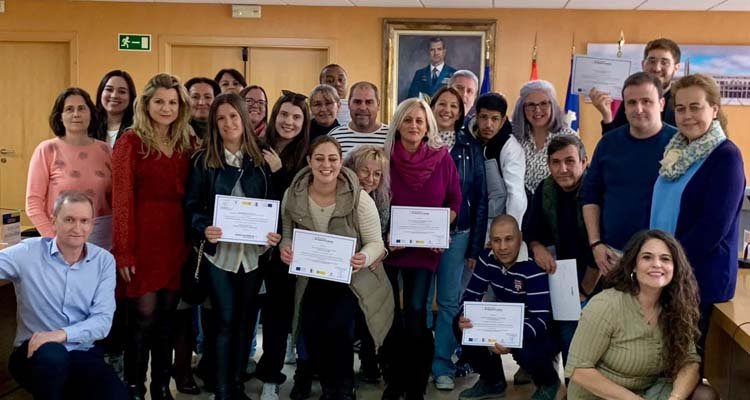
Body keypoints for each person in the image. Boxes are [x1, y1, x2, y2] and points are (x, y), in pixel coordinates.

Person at [280, 136, 392, 400]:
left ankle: (342, 389)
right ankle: (327, 385)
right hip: (308, 278)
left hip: (348, 278)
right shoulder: (293, 194)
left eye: (332, 159)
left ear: (341, 162)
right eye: (319, 158)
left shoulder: (359, 198)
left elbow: (376, 242)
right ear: (309, 161)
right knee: (311, 330)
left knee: (338, 331)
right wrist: (285, 248)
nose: (326, 165)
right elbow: (286, 233)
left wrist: (363, 257)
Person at [185, 92, 280, 400]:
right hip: (220, 256)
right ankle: (224, 388)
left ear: (244, 119)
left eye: (233, 117)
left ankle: (237, 383)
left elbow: (275, 204)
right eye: (221, 118)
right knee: (224, 319)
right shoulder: (203, 160)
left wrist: (273, 232)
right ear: (214, 122)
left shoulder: (262, 159)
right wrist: (203, 227)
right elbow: (191, 206)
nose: (228, 123)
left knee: (245, 321)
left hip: (253, 256)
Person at [650, 74, 746, 356]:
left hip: (698, 280)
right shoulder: (675, 150)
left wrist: (666, 263)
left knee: (687, 360)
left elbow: (713, 227)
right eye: (680, 108)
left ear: (714, 109)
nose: (687, 115)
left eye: (696, 107)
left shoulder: (725, 156)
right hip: (665, 273)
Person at [112, 73, 194, 400]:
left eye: (172, 102)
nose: (166, 107)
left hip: (176, 238)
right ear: (145, 103)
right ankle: (135, 385)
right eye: (159, 101)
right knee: (142, 316)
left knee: (167, 317)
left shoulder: (186, 141)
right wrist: (124, 252)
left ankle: (161, 386)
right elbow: (120, 200)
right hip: (141, 237)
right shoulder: (130, 141)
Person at [0, 191, 128, 400]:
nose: (77, 228)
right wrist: (50, 340)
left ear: (92, 223)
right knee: (54, 356)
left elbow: (103, 322)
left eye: (84, 221)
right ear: (54, 221)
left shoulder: (103, 261)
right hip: (33, 354)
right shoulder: (28, 253)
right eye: (69, 220)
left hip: (81, 353)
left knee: (117, 395)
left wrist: (60, 334)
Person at [566, 230, 718, 400]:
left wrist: (675, 398)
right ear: (633, 265)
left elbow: (689, 361)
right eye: (647, 257)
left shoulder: (677, 307)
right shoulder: (606, 305)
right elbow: (578, 369)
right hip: (601, 395)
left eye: (665, 259)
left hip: (648, 391)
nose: (657, 264)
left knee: (704, 395)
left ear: (675, 268)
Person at [380, 98, 462, 400]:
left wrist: (440, 229)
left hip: (424, 252)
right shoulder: (384, 157)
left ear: (428, 125)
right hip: (389, 248)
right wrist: (385, 235)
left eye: (419, 120)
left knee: (416, 313)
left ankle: (415, 385)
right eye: (408, 120)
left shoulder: (442, 158)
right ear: (398, 124)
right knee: (389, 316)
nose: (414, 126)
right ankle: (394, 380)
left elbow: (455, 201)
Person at [582, 72, 677, 277]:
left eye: (646, 101)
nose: (638, 109)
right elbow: (590, 196)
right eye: (631, 102)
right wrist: (595, 243)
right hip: (613, 256)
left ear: (661, 104)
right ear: (624, 106)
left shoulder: (680, 144)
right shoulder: (608, 143)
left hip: (663, 261)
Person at [457, 215, 560, 400]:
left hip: (540, 327)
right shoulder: (486, 258)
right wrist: (464, 315)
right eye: (496, 240)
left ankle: (548, 382)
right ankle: (492, 381)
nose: (502, 247)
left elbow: (540, 320)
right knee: (460, 325)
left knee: (527, 348)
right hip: (505, 320)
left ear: (520, 238)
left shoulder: (534, 265)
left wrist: (509, 338)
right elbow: (470, 296)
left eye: (508, 239)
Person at [427, 86, 487, 391]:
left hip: (458, 235)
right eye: (442, 104)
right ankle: (419, 360)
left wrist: (475, 246)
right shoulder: (418, 139)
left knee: (449, 301)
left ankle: (442, 365)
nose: (447, 110)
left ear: (461, 112)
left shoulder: (470, 146)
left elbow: (479, 198)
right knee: (421, 301)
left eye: (454, 105)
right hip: (420, 236)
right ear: (432, 106)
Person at [253, 90, 311, 400]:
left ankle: (271, 377)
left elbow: (295, 206)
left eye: (296, 117)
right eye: (284, 115)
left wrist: (278, 173)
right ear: (275, 116)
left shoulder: (307, 156)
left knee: (277, 315)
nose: (289, 122)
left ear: (304, 123)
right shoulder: (255, 147)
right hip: (251, 244)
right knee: (248, 312)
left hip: (286, 247)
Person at [525, 135, 600, 366]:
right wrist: (537, 247)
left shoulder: (596, 191)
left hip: (596, 281)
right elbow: (530, 229)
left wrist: (584, 292)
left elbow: (601, 248)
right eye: (556, 162)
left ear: (584, 161)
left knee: (573, 339)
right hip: (559, 278)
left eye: (570, 161)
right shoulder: (545, 188)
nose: (563, 169)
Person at [26, 87, 112, 249]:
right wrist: (54, 241)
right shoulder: (46, 150)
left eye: (81, 108)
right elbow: (33, 203)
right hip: (60, 238)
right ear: (60, 116)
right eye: (69, 109)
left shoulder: (106, 151)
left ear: (91, 113)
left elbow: (116, 198)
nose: (76, 114)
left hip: (102, 237)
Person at [590, 38, 681, 134]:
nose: (657, 68)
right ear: (643, 64)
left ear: (676, 68)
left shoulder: (681, 100)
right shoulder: (632, 97)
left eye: (664, 62)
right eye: (652, 61)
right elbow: (614, 143)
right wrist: (606, 115)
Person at [471, 92, 526, 232]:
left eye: (494, 119)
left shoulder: (510, 148)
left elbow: (516, 194)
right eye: (483, 117)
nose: (488, 125)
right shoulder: (466, 138)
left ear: (503, 121)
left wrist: (509, 231)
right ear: (476, 117)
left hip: (496, 224)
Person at [510, 80, 577, 196]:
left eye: (543, 103)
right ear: (522, 108)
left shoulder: (568, 137)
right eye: (531, 104)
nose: (537, 110)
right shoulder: (513, 136)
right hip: (518, 209)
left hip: (557, 206)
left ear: (553, 106)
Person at [328, 81, 389, 157]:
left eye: (369, 102)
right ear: (349, 104)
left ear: (378, 105)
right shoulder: (335, 136)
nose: (363, 108)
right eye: (357, 102)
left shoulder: (391, 136)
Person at [94, 70, 137, 147]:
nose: (114, 95)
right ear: (101, 93)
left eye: (122, 92)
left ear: (130, 97)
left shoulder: (138, 129)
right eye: (109, 90)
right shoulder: (89, 126)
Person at [185, 77, 220, 141]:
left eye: (207, 97)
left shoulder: (224, 129)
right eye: (195, 97)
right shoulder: (177, 131)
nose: (201, 102)